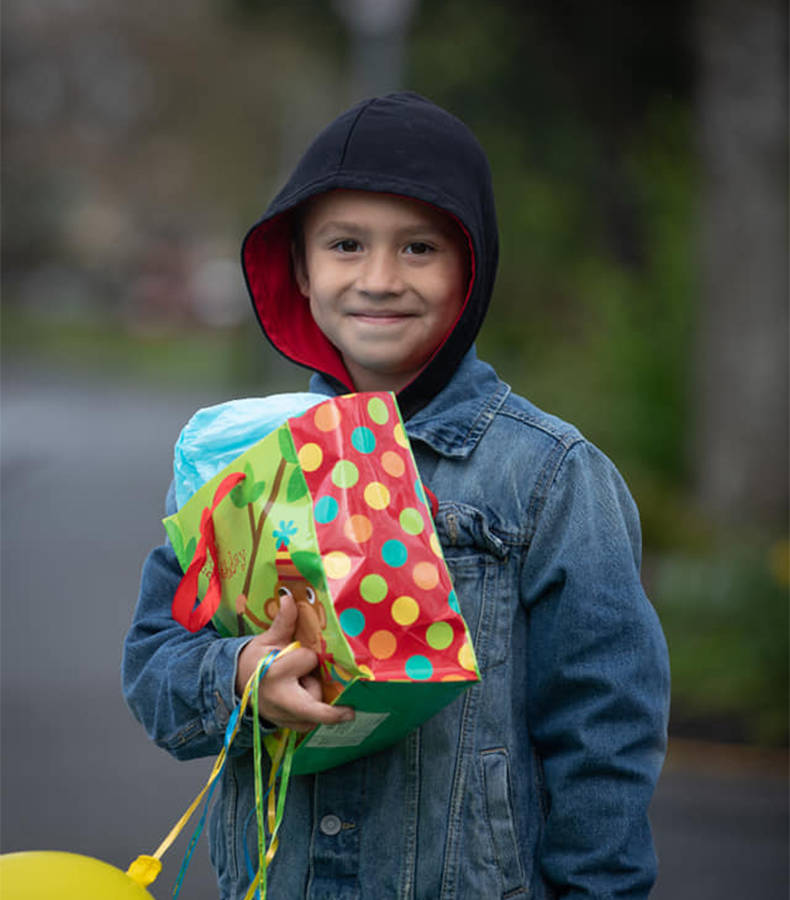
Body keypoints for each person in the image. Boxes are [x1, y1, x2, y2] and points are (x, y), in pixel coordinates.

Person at [123, 91, 670, 899]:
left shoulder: (550, 475)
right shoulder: (236, 463)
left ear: (470, 268)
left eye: (419, 248)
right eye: (346, 245)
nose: (380, 279)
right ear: (300, 271)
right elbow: (153, 667)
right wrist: (242, 673)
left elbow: (605, 734)